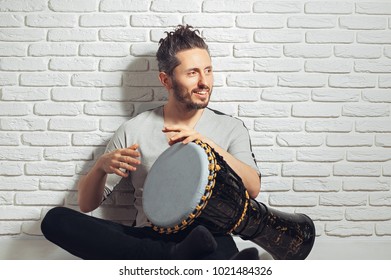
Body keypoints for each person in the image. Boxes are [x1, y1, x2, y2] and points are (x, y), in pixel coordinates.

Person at [41, 25, 261, 260]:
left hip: (208, 235)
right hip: (150, 235)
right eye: (192, 73)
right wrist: (99, 168)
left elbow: (253, 188)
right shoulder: (134, 130)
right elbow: (86, 204)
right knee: (56, 220)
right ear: (166, 80)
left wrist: (209, 145)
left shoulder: (230, 127)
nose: (204, 82)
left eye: (208, 71)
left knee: (211, 241)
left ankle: (177, 257)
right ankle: (176, 255)